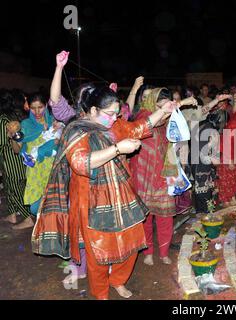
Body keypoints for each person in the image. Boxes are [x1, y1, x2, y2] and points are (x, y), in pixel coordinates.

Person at [32, 84, 179, 300]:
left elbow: (139, 127)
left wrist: (164, 110)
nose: (114, 119)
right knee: (98, 253)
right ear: (92, 111)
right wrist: (118, 149)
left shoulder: (114, 125)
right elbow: (80, 162)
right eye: (109, 114)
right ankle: (101, 293)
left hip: (121, 193)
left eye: (116, 114)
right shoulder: (77, 130)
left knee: (132, 244)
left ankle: (118, 280)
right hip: (91, 199)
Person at [130, 86, 193, 266]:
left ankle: (163, 251)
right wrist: (182, 103)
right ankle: (148, 251)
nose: (162, 105)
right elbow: (153, 123)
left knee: (165, 217)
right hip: (144, 176)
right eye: (159, 101)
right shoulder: (143, 116)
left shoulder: (166, 117)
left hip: (164, 173)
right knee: (146, 218)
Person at [0, 91, 33, 229]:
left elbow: (2, 142)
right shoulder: (15, 116)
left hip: (10, 159)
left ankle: (27, 218)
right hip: (19, 159)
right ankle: (12, 214)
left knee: (14, 189)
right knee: (10, 187)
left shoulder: (3, 120)